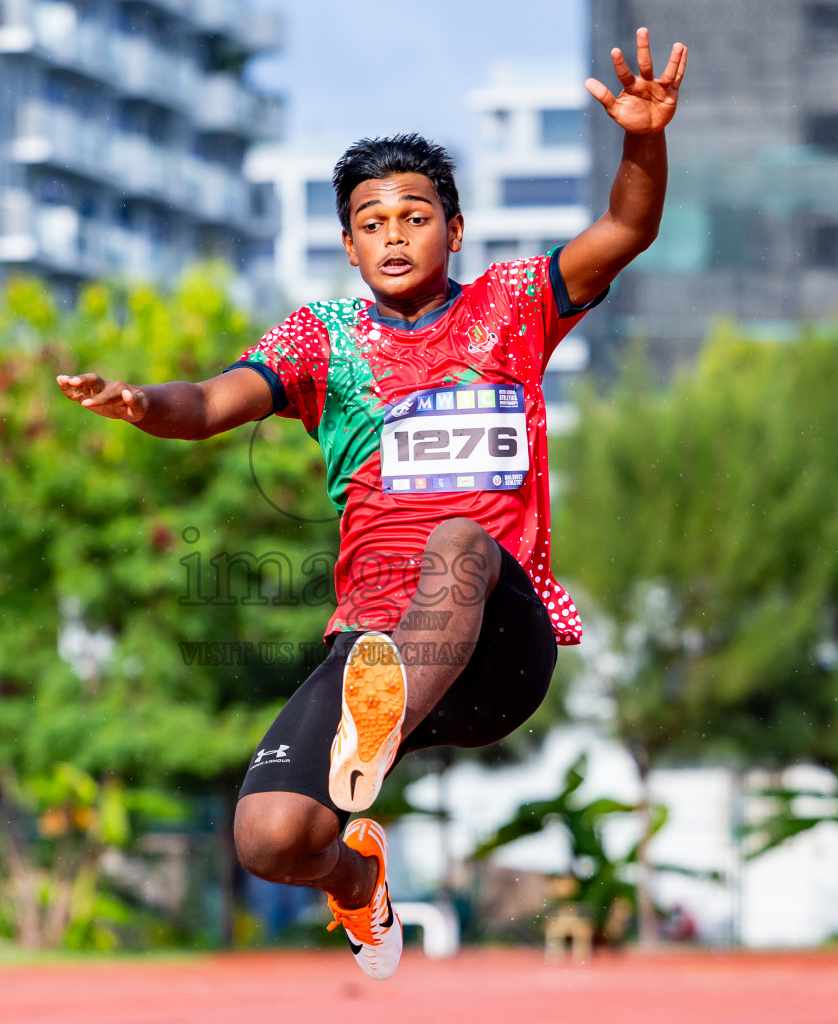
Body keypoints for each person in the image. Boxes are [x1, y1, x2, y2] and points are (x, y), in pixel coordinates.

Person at [58, 28, 686, 980]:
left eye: (416, 216)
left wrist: (643, 139)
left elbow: (626, 232)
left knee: (462, 540)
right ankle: (358, 874)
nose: (395, 235)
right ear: (348, 246)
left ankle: (373, 733)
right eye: (373, 222)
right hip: (375, 645)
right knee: (271, 838)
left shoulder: (513, 306)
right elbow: (210, 403)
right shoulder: (323, 342)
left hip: (499, 647)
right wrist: (142, 403)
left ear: (456, 231)